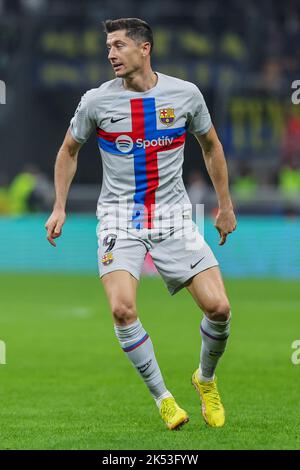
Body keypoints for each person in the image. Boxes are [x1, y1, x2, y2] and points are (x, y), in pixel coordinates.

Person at [45, 18, 237, 431]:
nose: (110, 53)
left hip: (173, 218)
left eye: (118, 45)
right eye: (108, 46)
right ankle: (164, 399)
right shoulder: (96, 101)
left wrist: (225, 205)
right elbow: (68, 150)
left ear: (144, 48)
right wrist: (59, 206)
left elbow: (211, 145)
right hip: (119, 218)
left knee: (219, 308)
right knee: (121, 308)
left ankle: (205, 379)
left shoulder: (185, 95)